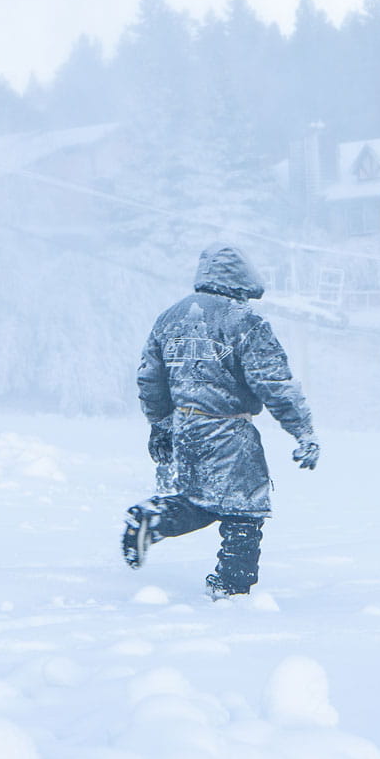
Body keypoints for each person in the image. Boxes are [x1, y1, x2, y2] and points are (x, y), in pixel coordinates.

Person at [122, 245, 319, 598]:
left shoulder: (170, 317)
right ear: (240, 281)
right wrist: (302, 431)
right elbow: (274, 382)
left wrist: (161, 424)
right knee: (244, 510)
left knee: (200, 500)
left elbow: (150, 379)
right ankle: (232, 587)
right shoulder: (244, 321)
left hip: (185, 426)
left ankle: (153, 517)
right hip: (229, 430)